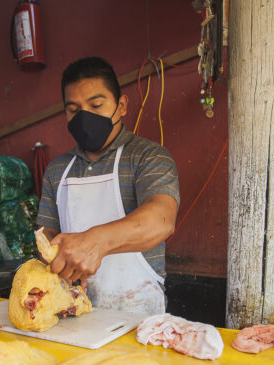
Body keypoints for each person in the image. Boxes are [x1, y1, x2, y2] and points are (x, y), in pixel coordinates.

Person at [36, 56, 180, 315]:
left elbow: (161, 220)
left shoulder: (148, 156)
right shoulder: (58, 169)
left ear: (121, 105)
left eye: (96, 105)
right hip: (72, 312)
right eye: (73, 109)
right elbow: (47, 237)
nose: (84, 116)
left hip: (137, 317)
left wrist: (95, 243)